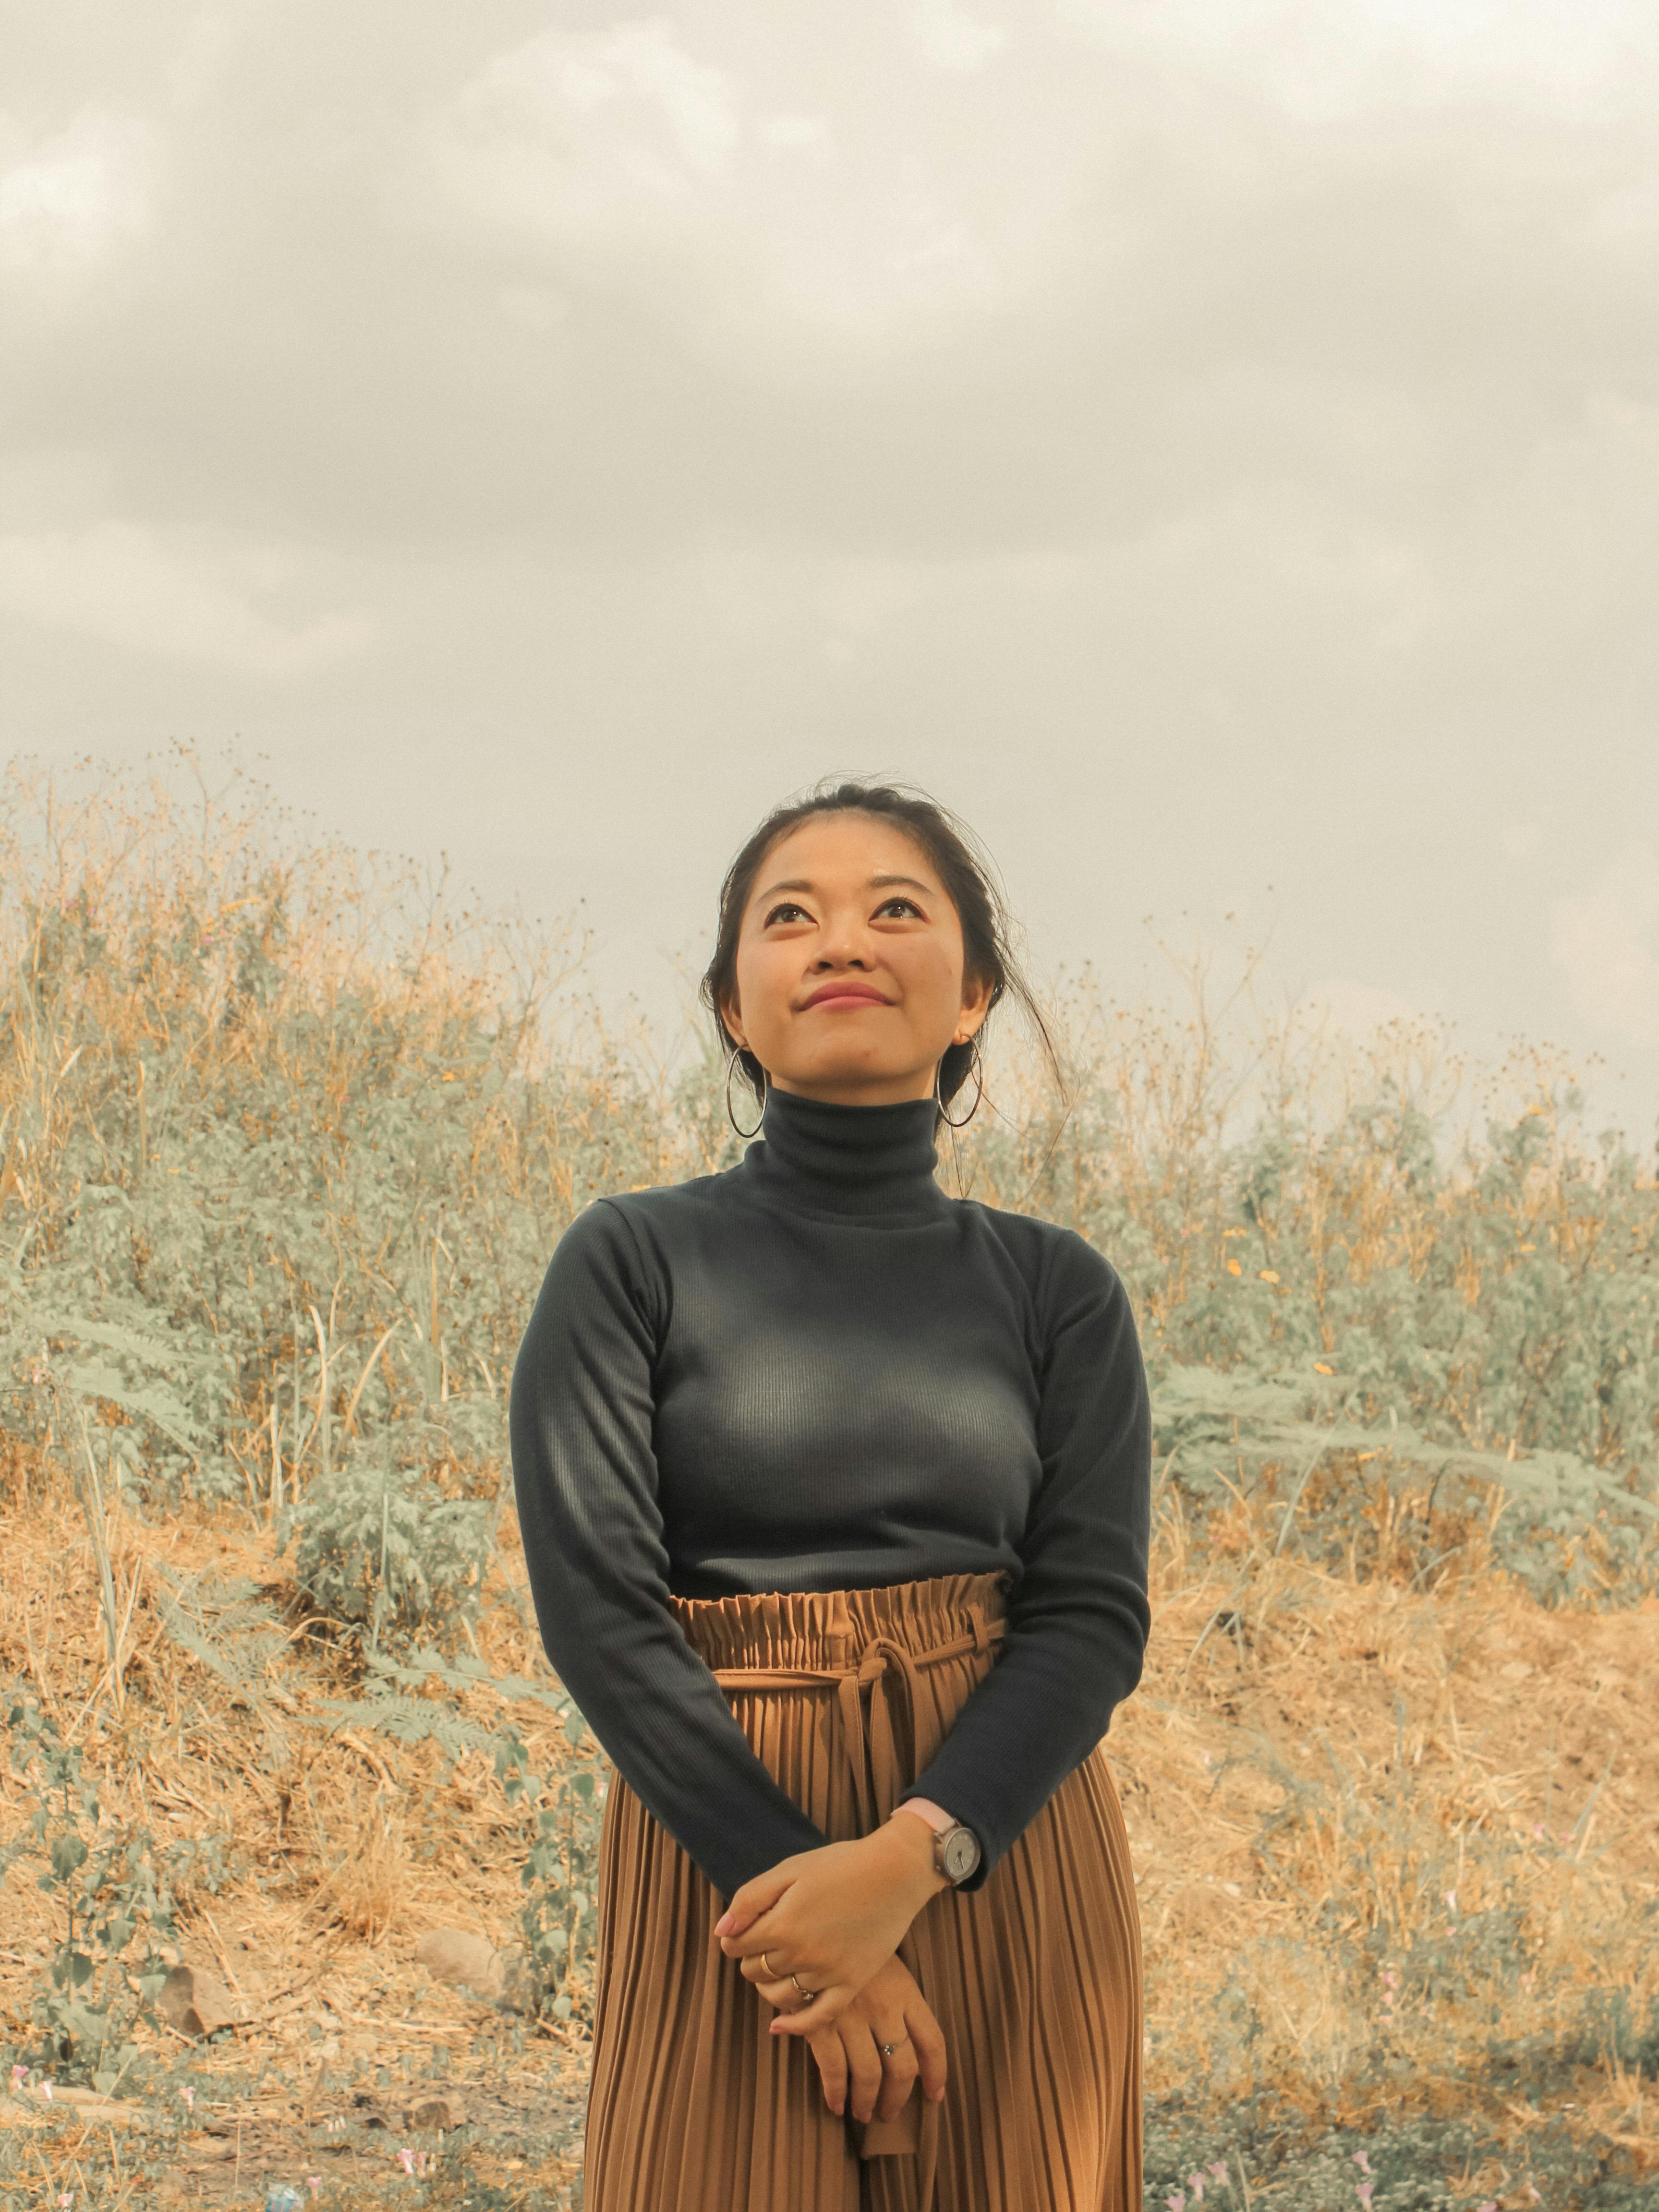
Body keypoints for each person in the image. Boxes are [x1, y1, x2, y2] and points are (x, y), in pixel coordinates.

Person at [509, 781, 1151, 2212]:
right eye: (788, 916)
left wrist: (914, 1863)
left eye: (895, 910)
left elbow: (1091, 1619)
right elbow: (602, 1612)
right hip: (731, 1859)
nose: (838, 940)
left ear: (975, 991)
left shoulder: (1058, 1290)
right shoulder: (630, 1262)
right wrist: (809, 1914)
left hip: (1003, 1843)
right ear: (735, 1005)